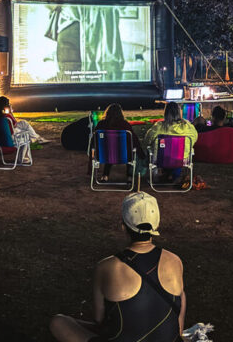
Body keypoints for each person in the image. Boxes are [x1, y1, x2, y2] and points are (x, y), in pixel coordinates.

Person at [49, 192, 185, 342]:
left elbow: (99, 319)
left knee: (59, 322)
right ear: (157, 225)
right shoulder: (175, 260)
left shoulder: (106, 266)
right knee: (181, 295)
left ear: (123, 226)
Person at [143, 102, 198, 185]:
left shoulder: (159, 126)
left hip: (160, 159)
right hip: (182, 159)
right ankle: (174, 175)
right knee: (176, 155)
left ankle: (163, 174)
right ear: (179, 112)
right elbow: (194, 139)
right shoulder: (188, 127)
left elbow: (147, 140)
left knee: (156, 152)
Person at [95, 103, 140, 182]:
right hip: (124, 156)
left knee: (110, 149)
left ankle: (105, 175)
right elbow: (133, 140)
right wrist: (141, 152)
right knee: (129, 150)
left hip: (104, 155)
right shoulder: (125, 125)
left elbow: (94, 140)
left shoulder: (101, 124)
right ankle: (129, 176)